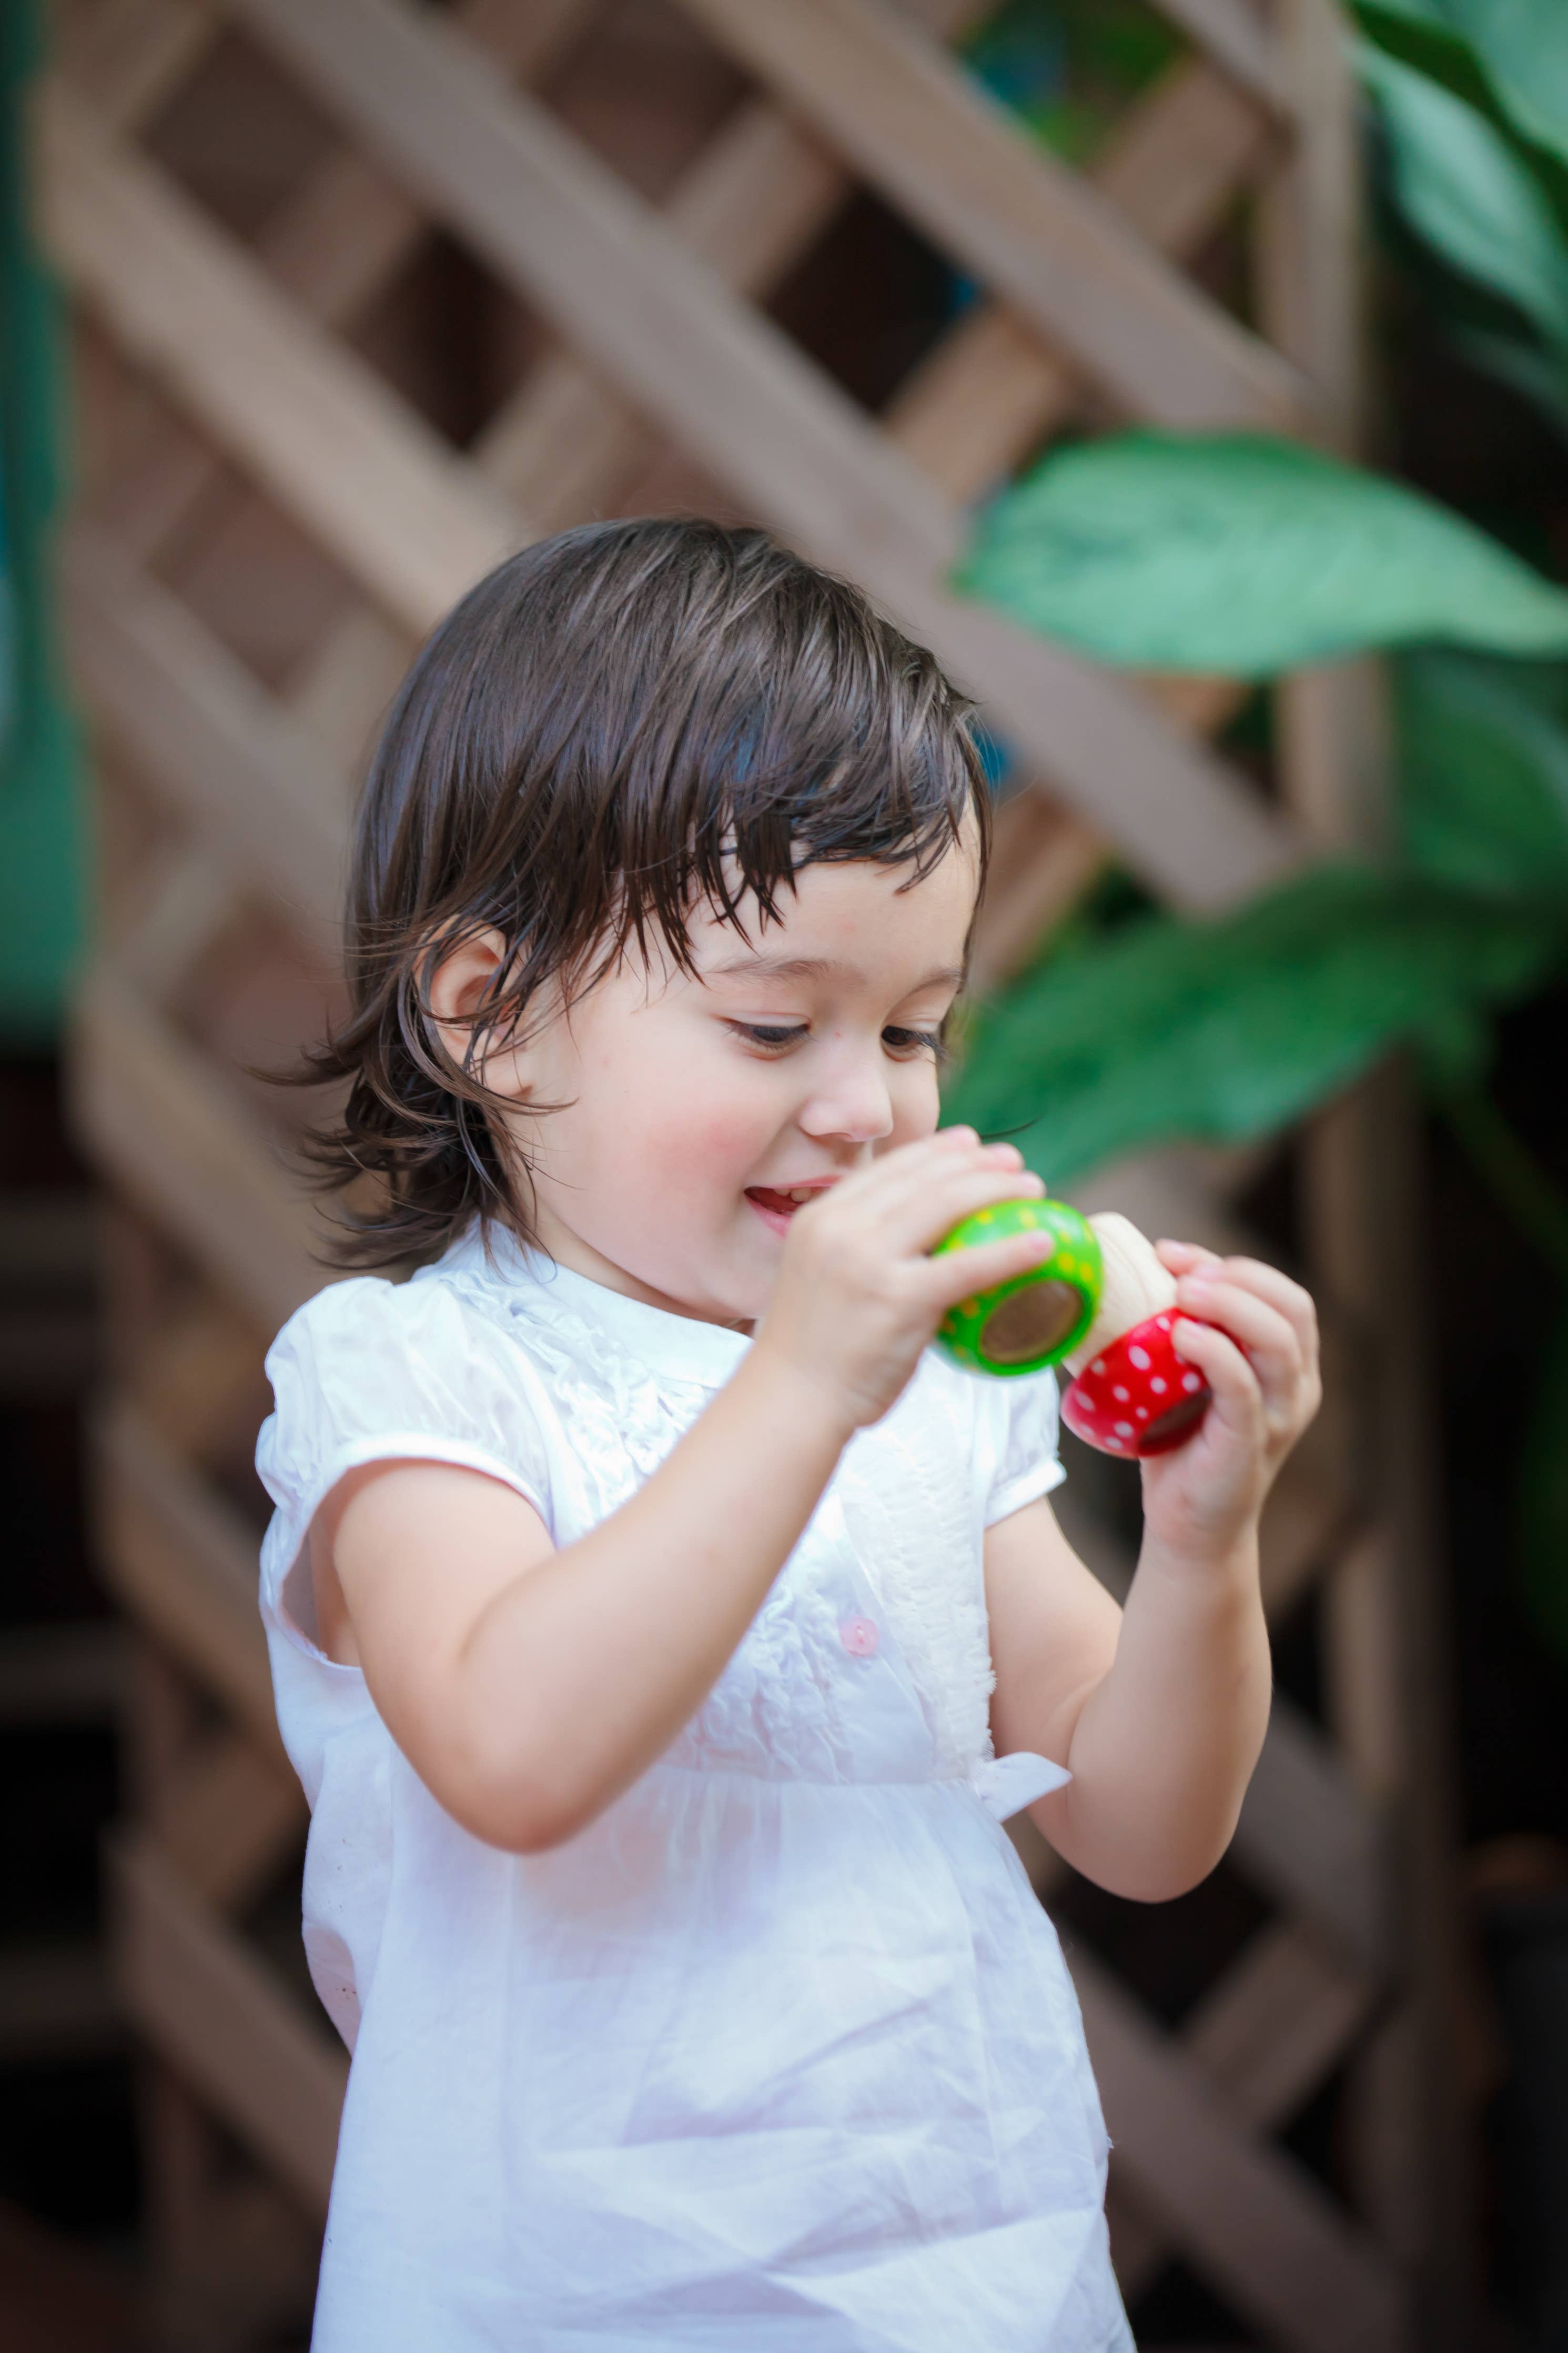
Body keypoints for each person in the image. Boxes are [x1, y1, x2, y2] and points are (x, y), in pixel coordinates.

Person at [257, 518, 1320, 2351]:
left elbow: (1143, 1826)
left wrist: (1204, 1539)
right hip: (556, 2292)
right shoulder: (409, 1381)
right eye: (772, 1026)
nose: (861, 1106)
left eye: (914, 1030)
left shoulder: (941, 1390)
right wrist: (808, 1385)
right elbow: (512, 1750)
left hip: (962, 2273)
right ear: (487, 1015)